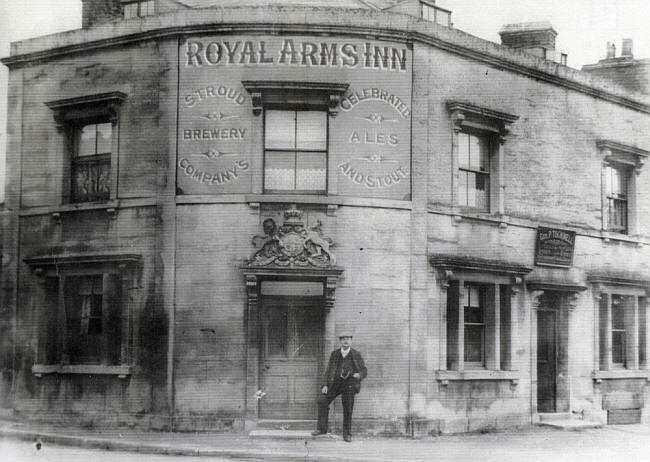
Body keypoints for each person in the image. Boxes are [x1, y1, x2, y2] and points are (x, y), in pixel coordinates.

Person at [312, 330, 367, 442]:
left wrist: (359, 375)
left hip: (350, 385)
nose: (345, 341)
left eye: (348, 338)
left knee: (348, 408)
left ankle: (347, 434)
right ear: (340, 341)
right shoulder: (335, 354)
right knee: (322, 400)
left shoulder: (356, 354)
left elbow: (364, 370)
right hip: (335, 383)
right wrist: (325, 385)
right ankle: (322, 429)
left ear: (351, 341)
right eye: (343, 339)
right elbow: (328, 371)